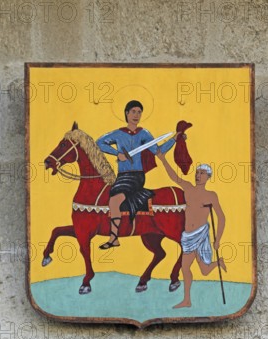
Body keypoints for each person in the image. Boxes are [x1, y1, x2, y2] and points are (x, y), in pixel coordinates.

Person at [96, 100, 174, 250]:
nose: (136, 115)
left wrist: (174, 139)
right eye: (133, 112)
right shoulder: (118, 134)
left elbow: (159, 151)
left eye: (139, 112)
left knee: (114, 201)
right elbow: (99, 143)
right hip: (121, 175)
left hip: (137, 176)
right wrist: (117, 153)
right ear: (126, 113)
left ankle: (114, 238)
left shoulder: (144, 134)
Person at [156, 147, 227, 308]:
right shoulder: (188, 189)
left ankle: (218, 263)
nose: (198, 175)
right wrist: (163, 159)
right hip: (187, 236)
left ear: (208, 177)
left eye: (202, 173)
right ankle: (187, 300)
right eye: (197, 173)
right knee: (185, 267)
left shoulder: (211, 196)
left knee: (204, 271)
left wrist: (218, 240)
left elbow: (221, 217)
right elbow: (174, 177)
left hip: (201, 235)